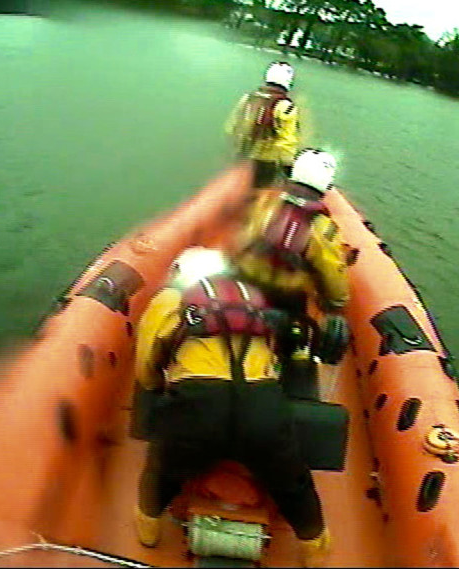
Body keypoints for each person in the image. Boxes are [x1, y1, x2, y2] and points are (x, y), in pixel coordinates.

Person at [133, 246, 330, 566]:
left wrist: (160, 389)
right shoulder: (254, 302)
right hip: (261, 404)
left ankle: (148, 532)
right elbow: (273, 362)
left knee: (162, 471)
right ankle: (316, 551)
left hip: (197, 406)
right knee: (294, 484)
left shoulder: (170, 304)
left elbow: (146, 369)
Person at [227, 148, 350, 396]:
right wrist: (334, 306)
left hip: (240, 291)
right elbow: (334, 284)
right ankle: (288, 385)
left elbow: (236, 243)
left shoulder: (261, 205)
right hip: (285, 304)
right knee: (296, 347)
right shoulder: (322, 229)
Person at [226, 61, 301, 188]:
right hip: (266, 164)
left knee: (241, 188)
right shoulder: (285, 106)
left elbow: (231, 127)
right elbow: (287, 144)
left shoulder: (248, 99)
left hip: (243, 156)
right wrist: (291, 171)